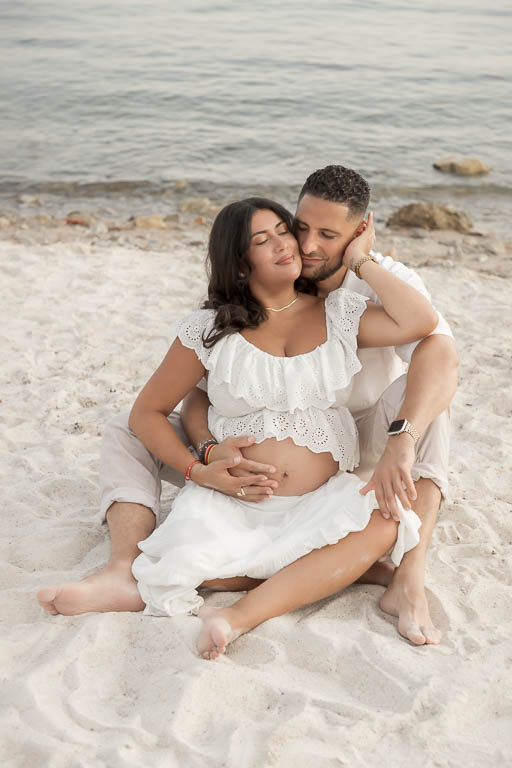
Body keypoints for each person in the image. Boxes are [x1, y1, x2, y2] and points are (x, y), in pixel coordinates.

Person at [38, 166, 457, 647]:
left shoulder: (352, 304)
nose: (300, 245)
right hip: (237, 491)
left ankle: (389, 580)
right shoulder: (214, 325)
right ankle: (123, 571)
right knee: (129, 435)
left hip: (351, 458)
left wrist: (362, 262)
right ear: (240, 263)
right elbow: (179, 399)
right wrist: (203, 462)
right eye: (293, 229)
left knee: (409, 461)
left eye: (319, 235)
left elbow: (429, 330)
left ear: (359, 231)